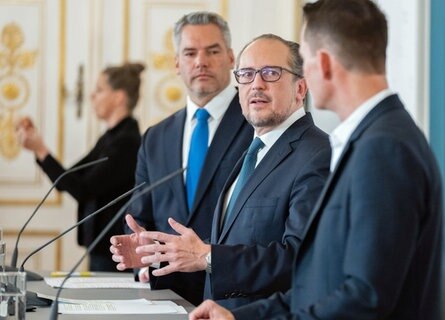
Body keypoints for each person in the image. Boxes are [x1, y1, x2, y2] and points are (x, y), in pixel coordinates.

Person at [189, 0, 443, 319]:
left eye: (304, 61)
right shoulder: (372, 138)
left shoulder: (383, 148)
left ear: (321, 64)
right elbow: (320, 282)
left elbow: (365, 297)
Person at [111, 34, 331, 309]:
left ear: (300, 88)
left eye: (271, 73)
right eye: (246, 74)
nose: (256, 85)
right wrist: (157, 255)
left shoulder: (317, 155)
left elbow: (301, 259)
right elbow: (233, 242)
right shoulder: (255, 150)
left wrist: (207, 256)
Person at [109, 12, 253, 305]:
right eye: (190, 53)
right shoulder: (155, 137)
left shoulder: (256, 125)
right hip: (166, 297)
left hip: (234, 299)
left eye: (212, 51)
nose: (201, 61)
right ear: (177, 63)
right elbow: (139, 215)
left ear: (230, 58)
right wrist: (142, 252)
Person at [16, 62, 144, 272]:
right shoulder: (111, 138)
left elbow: (82, 189)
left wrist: (41, 149)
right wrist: (39, 148)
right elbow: (68, 179)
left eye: (99, 90)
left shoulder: (126, 142)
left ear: (119, 97)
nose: (92, 96)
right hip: (100, 248)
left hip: (112, 251)